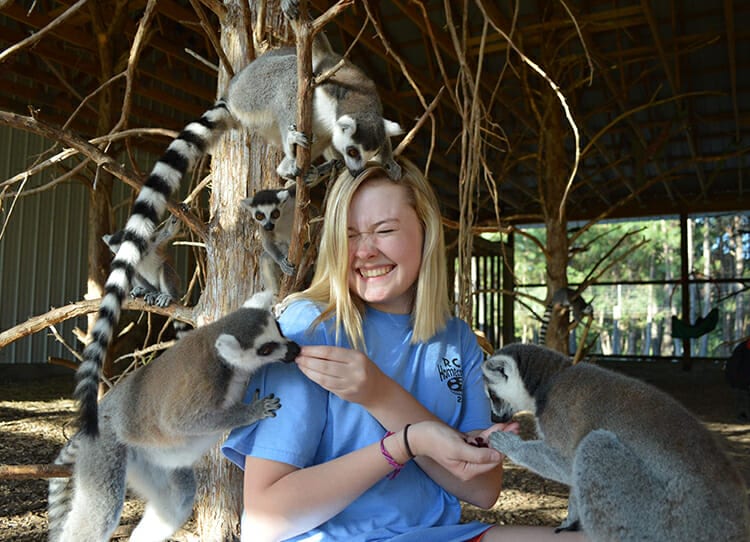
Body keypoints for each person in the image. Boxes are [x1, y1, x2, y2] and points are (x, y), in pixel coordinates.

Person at [222, 160, 587, 541]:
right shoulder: (307, 329)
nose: (364, 251)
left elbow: (482, 490)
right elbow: (263, 523)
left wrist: (381, 396)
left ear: (425, 232)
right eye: (349, 235)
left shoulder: (456, 338)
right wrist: (404, 444)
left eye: (385, 230)